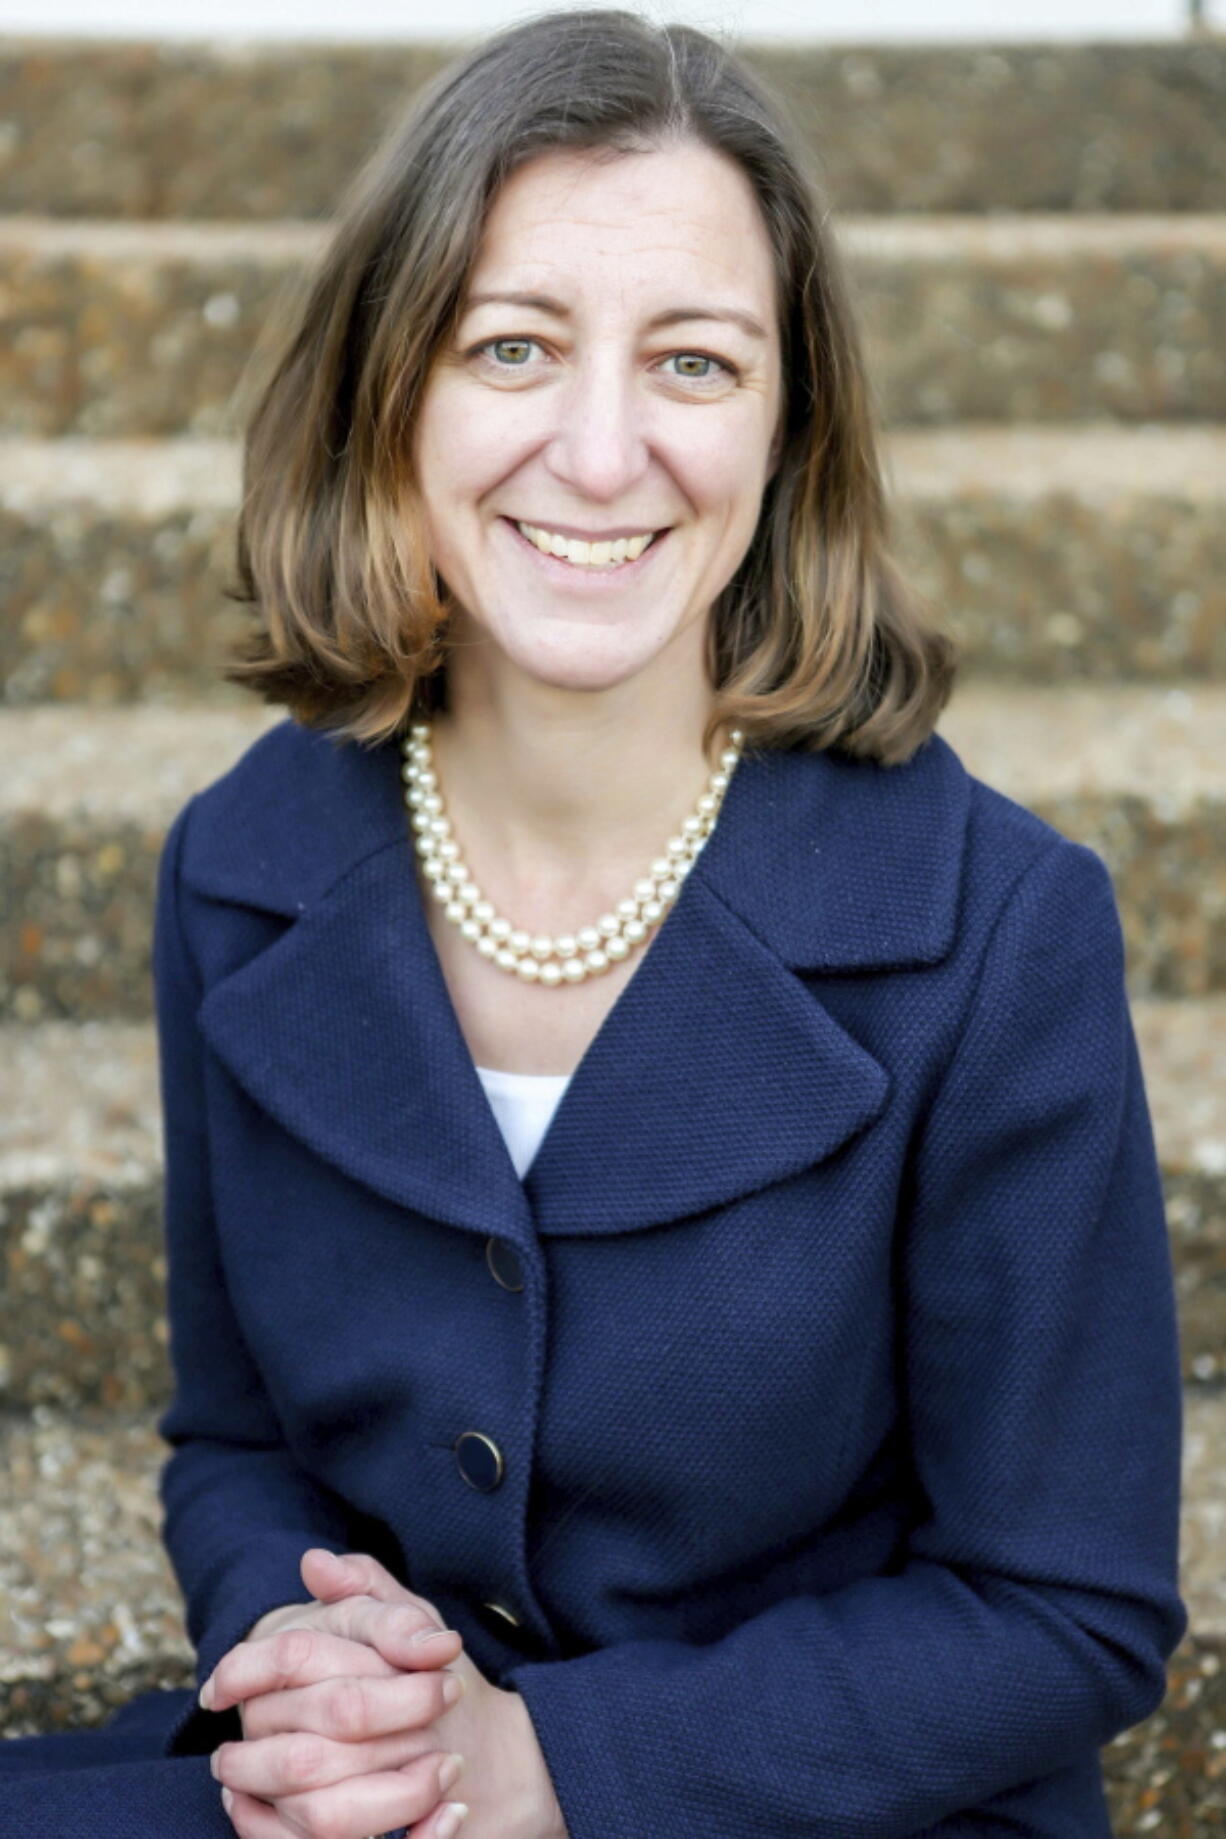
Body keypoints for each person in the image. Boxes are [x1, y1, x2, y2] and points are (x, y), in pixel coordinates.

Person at [0, 9, 1187, 1837]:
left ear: (789, 428)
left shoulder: (995, 930)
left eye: (696, 363)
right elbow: (236, 1443)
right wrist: (325, 1677)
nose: (602, 447)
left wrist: (549, 1762)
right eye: (514, 345)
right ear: (392, 386)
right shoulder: (239, 866)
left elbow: (1066, 1608)